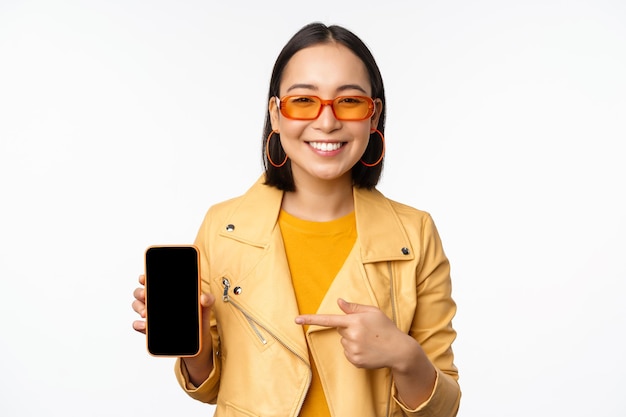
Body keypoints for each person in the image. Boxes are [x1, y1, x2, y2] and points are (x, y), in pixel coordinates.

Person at [132, 22, 460, 417]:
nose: (326, 122)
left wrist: (404, 356)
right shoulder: (224, 227)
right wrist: (198, 348)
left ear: (374, 117)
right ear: (275, 114)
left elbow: (443, 408)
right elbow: (210, 389)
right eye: (303, 101)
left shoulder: (415, 233)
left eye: (349, 102)